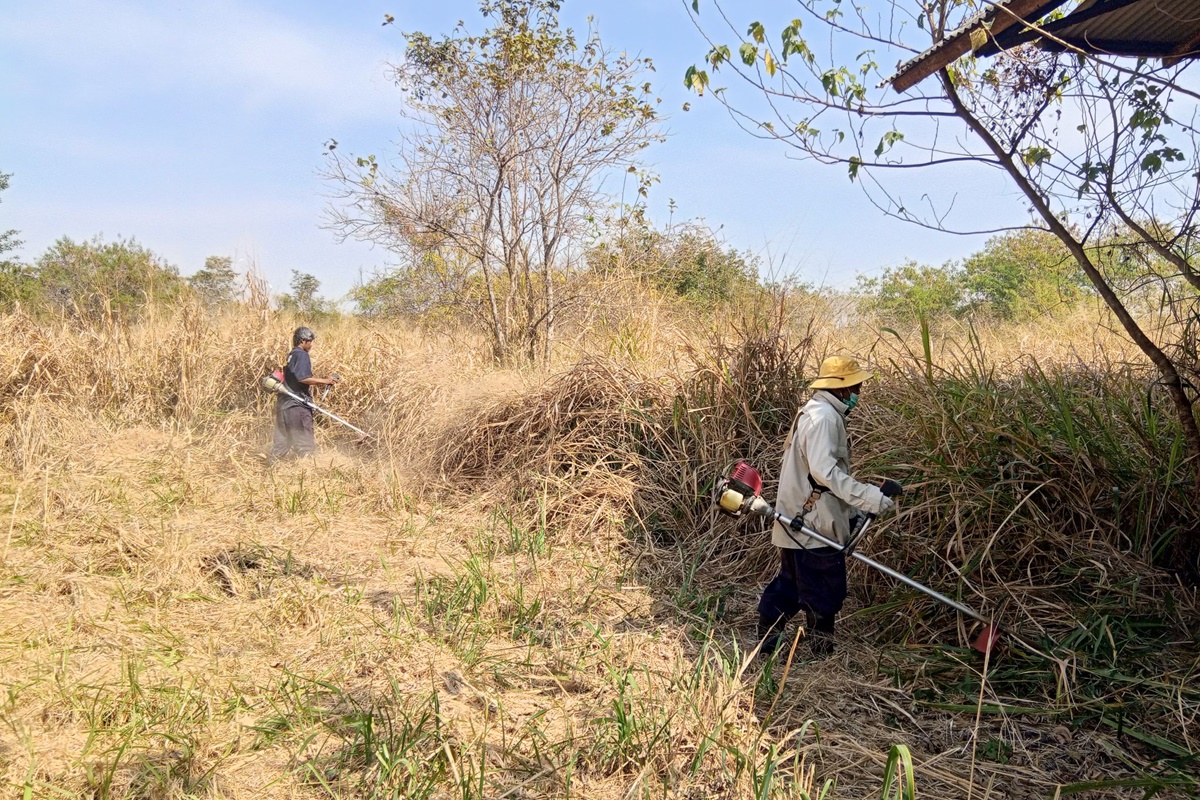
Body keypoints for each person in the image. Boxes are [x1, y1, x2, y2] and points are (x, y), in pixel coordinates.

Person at [757, 355, 899, 659]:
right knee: (823, 588)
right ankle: (821, 652)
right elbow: (825, 472)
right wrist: (869, 497)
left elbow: (821, 474)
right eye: (856, 386)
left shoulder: (817, 412)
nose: (859, 391)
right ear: (842, 389)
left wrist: (852, 511)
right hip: (811, 521)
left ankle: (768, 640)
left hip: (801, 517)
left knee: (792, 585)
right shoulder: (824, 418)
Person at [271, 326, 340, 460]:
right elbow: (302, 378)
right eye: (310, 341)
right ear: (303, 341)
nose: (312, 344)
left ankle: (271, 472)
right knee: (305, 446)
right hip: (297, 406)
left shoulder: (291, 355)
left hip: (284, 406)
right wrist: (326, 381)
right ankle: (308, 474)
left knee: (281, 445)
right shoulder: (302, 355)